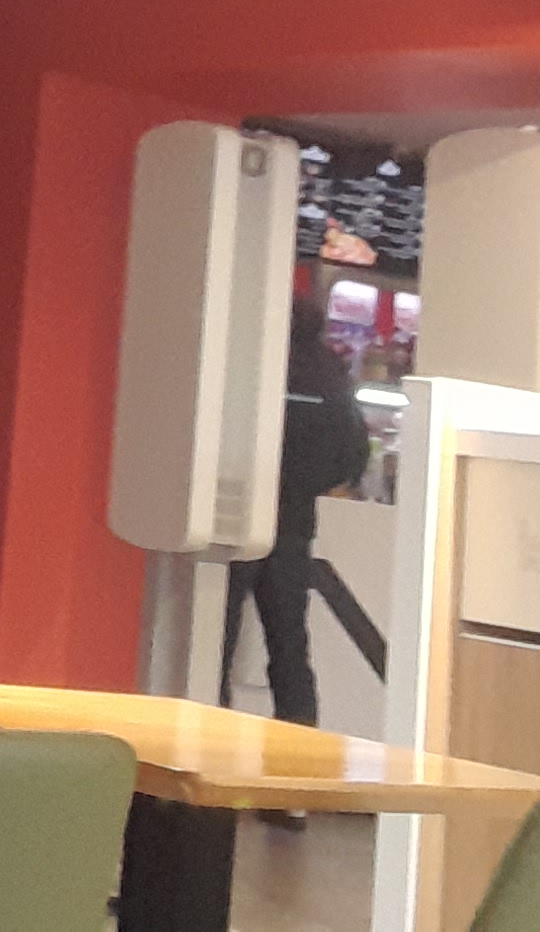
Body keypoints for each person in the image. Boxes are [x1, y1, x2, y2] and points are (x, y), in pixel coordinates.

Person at [220, 291, 370, 744]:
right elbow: (353, 454)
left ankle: (211, 751)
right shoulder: (330, 372)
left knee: (217, 644)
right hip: (294, 527)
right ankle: (298, 758)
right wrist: (305, 486)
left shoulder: (252, 364)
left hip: (239, 518)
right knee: (289, 649)